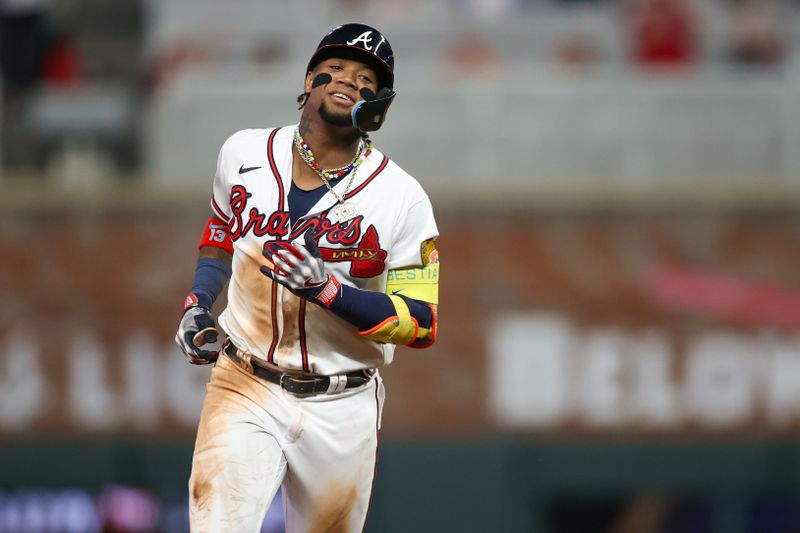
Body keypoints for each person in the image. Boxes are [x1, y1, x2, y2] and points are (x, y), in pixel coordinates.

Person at [174, 23, 440, 533]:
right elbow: (220, 236)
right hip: (245, 379)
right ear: (309, 79)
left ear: (379, 103)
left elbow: (423, 323)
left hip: (343, 400)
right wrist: (197, 303)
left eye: (366, 78)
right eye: (335, 68)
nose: (347, 80)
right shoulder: (243, 153)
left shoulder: (404, 198)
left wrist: (331, 292)